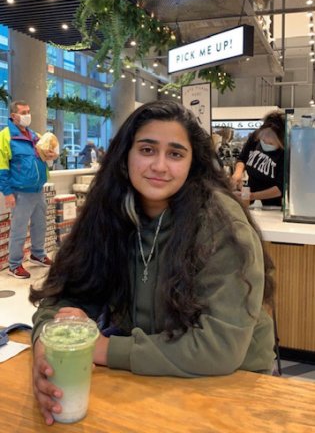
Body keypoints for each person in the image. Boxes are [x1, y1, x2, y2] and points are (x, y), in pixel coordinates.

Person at [30, 100, 275, 425]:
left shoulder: (220, 223)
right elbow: (62, 294)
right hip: (150, 373)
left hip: (233, 382)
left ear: (192, 163)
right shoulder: (110, 213)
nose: (159, 165)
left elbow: (220, 347)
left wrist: (105, 349)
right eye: (147, 149)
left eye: (175, 154)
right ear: (125, 156)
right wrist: (44, 348)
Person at [0, 101, 56, 279]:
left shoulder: (35, 135)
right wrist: (7, 192)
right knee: (19, 228)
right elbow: (2, 167)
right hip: (20, 191)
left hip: (38, 189)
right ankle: (14, 264)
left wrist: (52, 157)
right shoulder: (5, 136)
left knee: (40, 224)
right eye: (23, 112)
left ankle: (37, 254)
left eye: (28, 111)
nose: (27, 115)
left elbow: (45, 158)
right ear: (13, 116)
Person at [231, 111, 285, 207]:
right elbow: (242, 158)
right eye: (263, 140)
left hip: (273, 207)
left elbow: (280, 188)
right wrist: (238, 173)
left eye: (271, 143)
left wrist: (252, 196)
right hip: (249, 199)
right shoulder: (255, 137)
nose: (265, 144)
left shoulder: (284, 155)